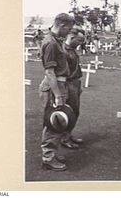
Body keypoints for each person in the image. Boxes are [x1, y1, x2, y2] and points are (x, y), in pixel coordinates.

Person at [39, 13, 75, 171]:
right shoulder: (51, 43)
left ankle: (51, 153)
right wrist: (58, 95)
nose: (69, 33)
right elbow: (50, 72)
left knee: (58, 121)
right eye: (68, 29)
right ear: (62, 25)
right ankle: (48, 158)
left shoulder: (55, 40)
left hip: (59, 84)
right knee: (53, 122)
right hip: (55, 86)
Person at [60, 26, 86, 149]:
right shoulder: (63, 51)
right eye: (79, 41)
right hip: (68, 84)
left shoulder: (72, 50)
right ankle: (64, 138)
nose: (80, 44)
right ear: (71, 37)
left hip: (75, 83)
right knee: (68, 112)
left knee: (75, 111)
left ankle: (69, 134)